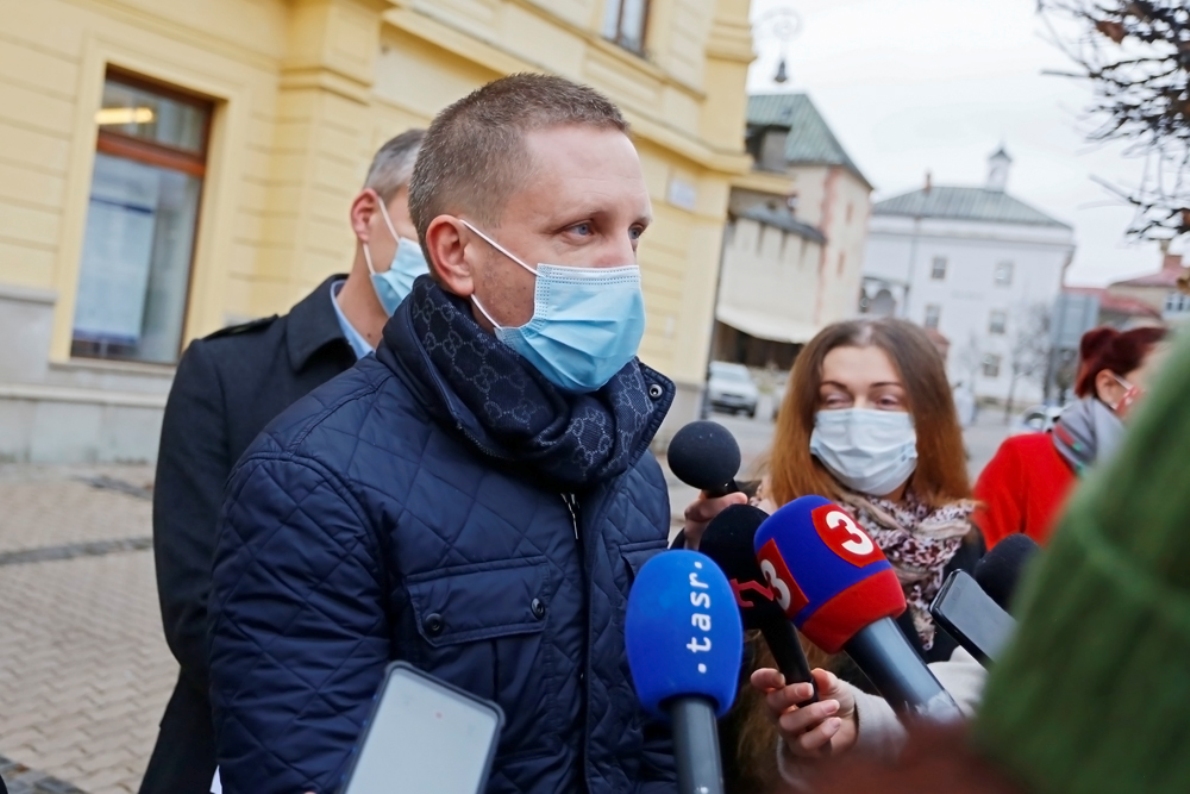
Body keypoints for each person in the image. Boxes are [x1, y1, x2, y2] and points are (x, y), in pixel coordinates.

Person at [207, 74, 677, 794]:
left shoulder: (629, 464)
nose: (624, 266)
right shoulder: (309, 478)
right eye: (583, 228)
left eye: (634, 232)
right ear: (457, 252)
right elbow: (303, 766)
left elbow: (652, 739)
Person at [140, 129, 427, 794]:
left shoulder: (471, 402)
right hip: (236, 752)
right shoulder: (228, 372)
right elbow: (199, 613)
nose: (442, 261)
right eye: (427, 227)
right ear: (367, 216)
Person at [683, 318, 981, 791]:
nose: (859, 417)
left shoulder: (962, 538)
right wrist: (701, 563)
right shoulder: (753, 523)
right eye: (836, 399)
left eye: (886, 400)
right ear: (810, 413)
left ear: (926, 415)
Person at [973, 325, 1167, 549]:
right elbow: (980, 557)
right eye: (1161, 381)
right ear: (1108, 386)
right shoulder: (1024, 458)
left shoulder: (1172, 483)